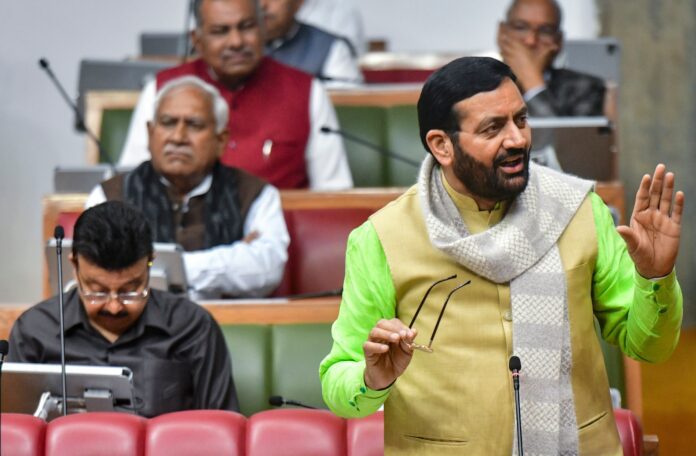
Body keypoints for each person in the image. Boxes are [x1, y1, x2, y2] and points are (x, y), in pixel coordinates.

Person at [320, 57, 683, 455]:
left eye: (521, 120)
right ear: (442, 145)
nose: (517, 139)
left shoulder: (578, 210)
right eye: (493, 128)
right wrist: (372, 379)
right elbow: (338, 381)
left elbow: (649, 347)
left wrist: (655, 278)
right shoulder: (384, 237)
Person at [8, 201, 239, 417]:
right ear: (74, 266)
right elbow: (17, 432)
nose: (114, 307)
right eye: (97, 291)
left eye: (130, 290)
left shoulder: (192, 327)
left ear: (150, 263)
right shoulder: (34, 331)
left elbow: (221, 429)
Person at [88, 76, 288, 299]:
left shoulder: (255, 194)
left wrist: (155, 267)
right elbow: (95, 272)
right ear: (150, 133)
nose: (178, 137)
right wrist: (235, 257)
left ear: (221, 140)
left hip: (227, 320)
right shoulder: (109, 196)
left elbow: (267, 270)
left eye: (194, 125)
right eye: (168, 123)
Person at [119, 0, 352, 190]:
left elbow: (333, 194)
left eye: (247, 27)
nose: (236, 42)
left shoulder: (308, 91)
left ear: (262, 30)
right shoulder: (162, 90)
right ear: (197, 41)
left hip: (280, 231)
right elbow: (131, 183)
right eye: (220, 31)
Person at [497, 0, 606, 117]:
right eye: (521, 27)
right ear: (502, 33)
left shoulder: (585, 88)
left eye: (545, 31)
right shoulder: (483, 82)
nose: (531, 41)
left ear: (558, 41)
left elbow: (560, 131)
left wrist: (532, 83)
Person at [261, 0, 363, 85]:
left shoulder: (332, 48)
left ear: (299, 2)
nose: (262, 4)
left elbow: (348, 100)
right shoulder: (251, 46)